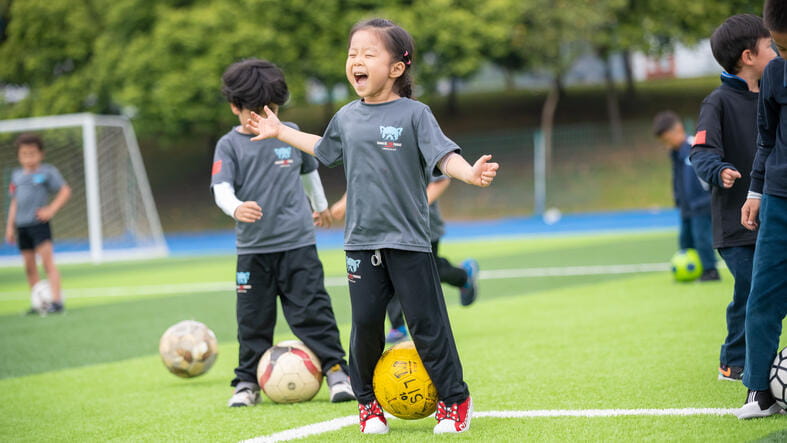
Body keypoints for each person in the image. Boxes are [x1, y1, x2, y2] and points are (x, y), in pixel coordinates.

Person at [245, 18, 498, 435]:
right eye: (352, 54)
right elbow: (324, 149)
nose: (356, 61)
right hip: (360, 243)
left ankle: (455, 400)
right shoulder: (347, 117)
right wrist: (280, 132)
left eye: (368, 54)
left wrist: (469, 172)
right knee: (365, 326)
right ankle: (367, 404)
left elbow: (443, 157)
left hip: (409, 242)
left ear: (397, 68)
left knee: (427, 325)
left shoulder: (416, 114)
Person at [211, 59, 354, 408]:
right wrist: (236, 207)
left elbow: (309, 173)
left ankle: (336, 372)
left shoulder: (290, 133)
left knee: (313, 309)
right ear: (234, 107)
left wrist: (321, 206)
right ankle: (247, 382)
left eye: (272, 110)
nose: (266, 118)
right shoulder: (229, 146)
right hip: (253, 249)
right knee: (252, 319)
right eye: (255, 112)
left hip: (298, 243)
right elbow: (221, 188)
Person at [690, 14, 776, 383]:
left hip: (774, 216)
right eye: (769, 46)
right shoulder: (718, 103)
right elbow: (700, 152)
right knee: (752, 289)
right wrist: (719, 169)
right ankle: (734, 360)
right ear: (748, 56)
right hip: (735, 226)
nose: (776, 52)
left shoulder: (775, 95)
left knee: (770, 290)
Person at [330, 176, 480, 344]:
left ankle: (463, 276)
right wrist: (344, 202)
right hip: (386, 228)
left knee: (426, 273)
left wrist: (412, 210)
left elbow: (441, 181)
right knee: (389, 272)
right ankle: (398, 327)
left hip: (421, 228)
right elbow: (363, 175)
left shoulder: (420, 156)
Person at [735, 0, 787, 419]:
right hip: (779, 198)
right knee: (763, 293)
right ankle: (758, 390)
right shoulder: (775, 74)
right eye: (781, 48)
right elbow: (766, 138)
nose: (785, 56)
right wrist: (755, 189)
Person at [4, 133, 71, 314]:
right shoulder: (16, 176)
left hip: (38, 225)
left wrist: (51, 210)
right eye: (24, 154)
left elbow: (65, 190)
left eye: (32, 153)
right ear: (19, 155)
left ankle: (56, 301)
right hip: (21, 226)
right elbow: (14, 202)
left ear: (41, 154)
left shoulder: (47, 172)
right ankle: (38, 302)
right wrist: (9, 227)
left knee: (47, 263)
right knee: (29, 266)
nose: (29, 158)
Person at [653, 111, 718, 282]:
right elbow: (678, 178)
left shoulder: (694, 146)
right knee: (685, 240)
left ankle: (710, 270)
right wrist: (677, 196)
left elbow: (704, 173)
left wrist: (708, 194)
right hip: (686, 206)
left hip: (701, 202)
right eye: (664, 142)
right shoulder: (675, 154)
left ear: (678, 129)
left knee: (702, 238)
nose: (667, 144)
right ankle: (691, 269)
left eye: (668, 140)